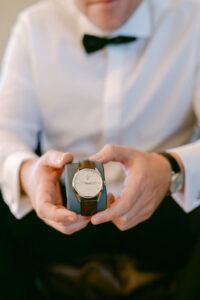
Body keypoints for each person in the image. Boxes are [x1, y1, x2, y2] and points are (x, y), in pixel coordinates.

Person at [0, 0, 200, 298]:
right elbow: (6, 133)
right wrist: (29, 176)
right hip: (60, 211)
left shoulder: (193, 19)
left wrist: (172, 168)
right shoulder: (34, 27)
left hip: (167, 214)